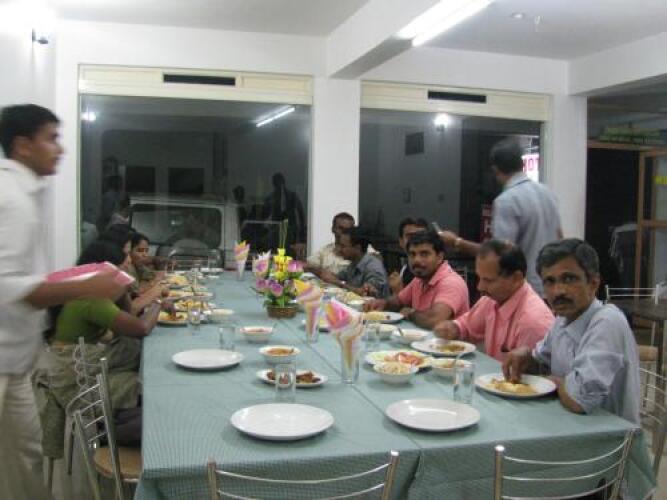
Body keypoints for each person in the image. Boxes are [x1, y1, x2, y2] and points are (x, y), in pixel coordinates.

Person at [0, 104, 126, 499]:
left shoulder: (26, 193)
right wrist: (89, 286)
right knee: (21, 460)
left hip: (18, 361)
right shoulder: (12, 197)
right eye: (51, 138)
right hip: (4, 357)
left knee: (26, 458)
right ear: (23, 145)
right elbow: (8, 286)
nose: (61, 149)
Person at [40, 240, 159, 461]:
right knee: (150, 381)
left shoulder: (85, 290)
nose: (128, 272)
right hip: (77, 383)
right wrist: (159, 303)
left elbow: (128, 316)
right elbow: (140, 328)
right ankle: (114, 434)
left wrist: (122, 290)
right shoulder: (91, 299)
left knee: (141, 361)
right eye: (123, 268)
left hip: (79, 369)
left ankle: (124, 422)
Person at [502, 239, 640, 423]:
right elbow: (542, 363)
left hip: (610, 437)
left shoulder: (608, 321)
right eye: (549, 281)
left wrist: (554, 381)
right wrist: (526, 356)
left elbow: (580, 400)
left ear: (593, 283)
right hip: (569, 424)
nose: (558, 291)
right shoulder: (562, 319)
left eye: (569, 279)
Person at [437, 138, 562, 296]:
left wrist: (456, 242)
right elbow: (560, 239)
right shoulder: (548, 193)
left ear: (495, 170)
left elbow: (498, 255)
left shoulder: (507, 200)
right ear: (522, 164)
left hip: (526, 291)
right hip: (552, 287)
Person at [433, 240, 553, 361]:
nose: (480, 287)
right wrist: (454, 328)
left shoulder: (533, 322)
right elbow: (467, 326)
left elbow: (526, 372)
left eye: (488, 281)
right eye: (479, 278)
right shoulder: (493, 298)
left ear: (516, 278)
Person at [365, 230, 468, 328]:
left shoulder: (451, 282)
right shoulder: (419, 279)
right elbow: (398, 301)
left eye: (424, 254)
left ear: (439, 257)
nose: (417, 260)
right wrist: (383, 303)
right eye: (412, 254)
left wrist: (410, 313)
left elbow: (434, 319)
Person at [315, 227, 389, 298]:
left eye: (343, 246)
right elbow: (338, 277)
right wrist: (325, 274)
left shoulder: (373, 268)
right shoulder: (354, 262)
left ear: (357, 248)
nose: (340, 250)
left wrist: (339, 283)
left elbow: (366, 294)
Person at [263, 172, 306, 254]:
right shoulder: (270, 198)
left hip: (291, 229)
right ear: (274, 184)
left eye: (280, 182)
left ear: (284, 182)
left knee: (289, 251)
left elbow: (301, 213)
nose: (279, 185)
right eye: (277, 182)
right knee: (277, 251)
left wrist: (301, 233)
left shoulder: (293, 196)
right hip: (276, 229)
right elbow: (265, 215)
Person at [388, 217, 428, 294]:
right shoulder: (405, 269)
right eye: (410, 236)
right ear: (401, 241)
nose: (416, 240)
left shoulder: (432, 271)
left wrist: (399, 291)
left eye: (421, 236)